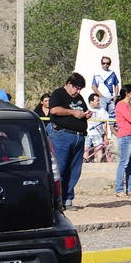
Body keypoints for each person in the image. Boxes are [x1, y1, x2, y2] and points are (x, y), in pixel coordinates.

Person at [48, 72, 92, 209]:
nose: (77, 91)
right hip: (61, 135)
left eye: (80, 89)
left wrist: (86, 114)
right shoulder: (58, 93)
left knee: (74, 169)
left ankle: (68, 199)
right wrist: (72, 112)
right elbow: (54, 110)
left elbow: (82, 110)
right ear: (69, 84)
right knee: (60, 168)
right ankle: (56, 200)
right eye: (76, 88)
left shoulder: (79, 98)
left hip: (78, 137)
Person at [113, 84, 131, 197]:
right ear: (127, 93)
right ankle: (119, 189)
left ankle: (130, 188)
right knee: (124, 162)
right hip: (126, 135)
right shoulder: (121, 105)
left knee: (130, 163)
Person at [91, 55, 120, 120]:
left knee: (112, 117)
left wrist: (116, 95)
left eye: (107, 63)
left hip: (111, 98)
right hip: (101, 99)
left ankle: (112, 129)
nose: (105, 65)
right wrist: (101, 96)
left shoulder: (112, 73)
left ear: (110, 64)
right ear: (101, 63)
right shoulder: (97, 73)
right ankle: (103, 130)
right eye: (103, 63)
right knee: (102, 116)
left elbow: (116, 85)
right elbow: (93, 86)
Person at [84, 94, 108, 163]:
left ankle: (99, 165)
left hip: (98, 134)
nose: (98, 102)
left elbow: (104, 123)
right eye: (97, 100)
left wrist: (105, 136)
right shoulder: (86, 108)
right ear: (91, 101)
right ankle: (85, 165)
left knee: (99, 150)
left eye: (99, 100)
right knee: (86, 150)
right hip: (87, 133)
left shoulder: (101, 110)